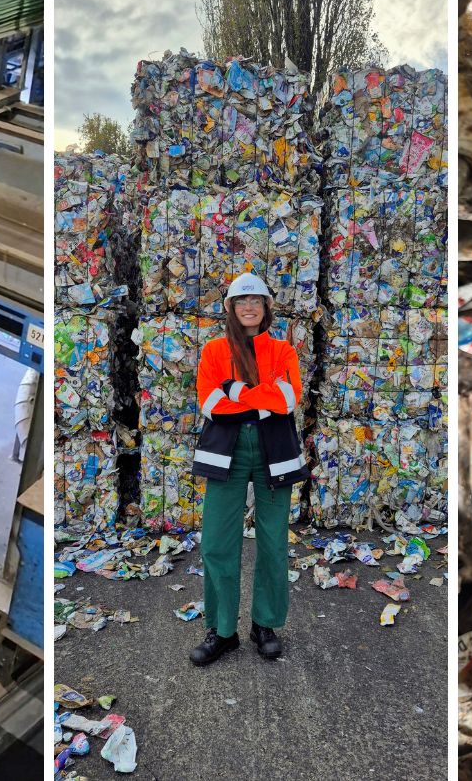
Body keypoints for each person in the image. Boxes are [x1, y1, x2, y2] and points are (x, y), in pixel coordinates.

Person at [187, 273, 309, 667]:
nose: (249, 307)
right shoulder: (214, 351)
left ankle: (265, 625)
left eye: (256, 301)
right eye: (242, 302)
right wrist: (261, 400)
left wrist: (237, 391)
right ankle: (222, 630)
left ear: (267, 308)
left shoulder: (283, 351)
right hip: (228, 452)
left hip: (275, 452)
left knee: (273, 542)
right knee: (217, 543)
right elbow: (210, 403)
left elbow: (288, 399)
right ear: (231, 309)